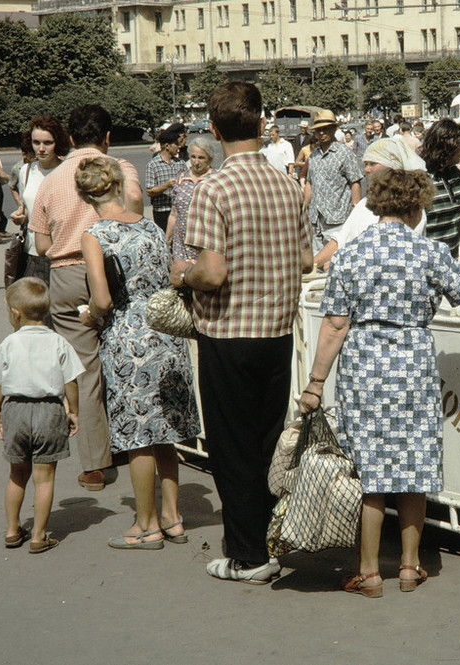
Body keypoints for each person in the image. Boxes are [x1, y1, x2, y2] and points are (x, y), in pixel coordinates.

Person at [298, 168, 460, 597]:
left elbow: (336, 324)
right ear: (416, 206)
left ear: (376, 203)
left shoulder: (350, 253)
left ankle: (370, 572)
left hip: (365, 365)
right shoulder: (429, 251)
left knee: (371, 471)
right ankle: (411, 567)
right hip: (413, 364)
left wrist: (315, 383)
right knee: (415, 465)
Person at [181, 81, 312, 583]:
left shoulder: (211, 187)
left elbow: (211, 273)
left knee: (231, 447)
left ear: (213, 131)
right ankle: (265, 539)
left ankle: (248, 556)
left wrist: (182, 275)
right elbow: (304, 259)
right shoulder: (285, 183)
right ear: (261, 124)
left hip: (228, 332)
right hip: (277, 332)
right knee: (264, 442)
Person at [76, 156, 200, 548]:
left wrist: (89, 319)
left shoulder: (96, 234)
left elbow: (102, 298)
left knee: (139, 434)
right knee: (166, 431)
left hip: (129, 338)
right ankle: (173, 517)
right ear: (117, 187)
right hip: (166, 332)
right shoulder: (148, 225)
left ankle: (145, 524)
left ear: (83, 195)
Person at [29, 104, 144, 491]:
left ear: (71, 138)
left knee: (85, 368)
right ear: (107, 137)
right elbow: (137, 209)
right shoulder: (120, 168)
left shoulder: (50, 180)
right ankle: (134, 438)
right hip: (117, 265)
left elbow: (41, 245)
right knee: (127, 352)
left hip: (67, 275)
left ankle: (96, 462)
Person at [0, 277, 83, 554]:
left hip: (14, 408)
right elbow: (71, 381)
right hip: (49, 410)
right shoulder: (58, 342)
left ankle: (12, 530)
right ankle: (40, 535)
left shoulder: (9, 343)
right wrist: (73, 411)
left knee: (17, 474)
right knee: (45, 477)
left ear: (15, 313)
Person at [313, 137, 428, 268]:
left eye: (372, 164)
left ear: (393, 167)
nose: (366, 170)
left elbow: (396, 254)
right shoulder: (364, 204)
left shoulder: (411, 209)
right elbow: (341, 240)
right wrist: (312, 264)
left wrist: (343, 264)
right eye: (366, 164)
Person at [11, 114, 70, 286]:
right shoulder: (26, 171)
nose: (41, 148)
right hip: (33, 253)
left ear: (57, 142)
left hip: (63, 253)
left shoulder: (67, 170)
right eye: (36, 143)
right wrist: (21, 216)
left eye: (48, 143)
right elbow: (27, 207)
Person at [306, 109, 363, 251]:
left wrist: (355, 210)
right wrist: (303, 208)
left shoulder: (344, 153)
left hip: (338, 219)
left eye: (325, 129)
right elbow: (309, 183)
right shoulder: (313, 155)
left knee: (336, 262)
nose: (321, 133)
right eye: (318, 130)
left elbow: (355, 181)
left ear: (334, 129)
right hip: (316, 220)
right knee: (317, 263)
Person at [419, 119, 460, 257]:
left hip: (455, 259)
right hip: (430, 261)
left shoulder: (455, 174)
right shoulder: (421, 179)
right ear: (448, 147)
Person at [167, 135, 218, 256]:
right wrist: (167, 239)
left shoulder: (216, 180)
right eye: (193, 157)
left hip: (206, 245)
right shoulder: (181, 179)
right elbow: (174, 214)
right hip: (181, 244)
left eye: (201, 158)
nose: (196, 162)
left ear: (209, 159)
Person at [144, 129, 185, 232]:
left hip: (178, 211)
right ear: (167, 146)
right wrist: (166, 185)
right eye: (175, 144)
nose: (178, 147)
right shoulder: (153, 165)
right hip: (162, 212)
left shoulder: (180, 163)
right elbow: (149, 191)